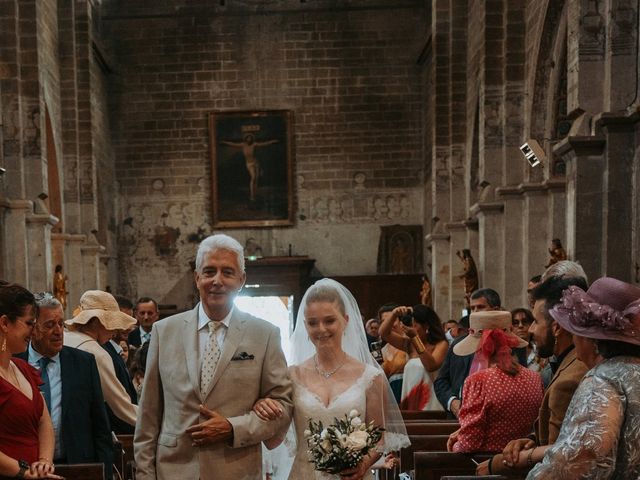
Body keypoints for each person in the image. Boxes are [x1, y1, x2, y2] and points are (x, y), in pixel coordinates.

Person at [134, 234, 293, 480]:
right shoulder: (164, 331)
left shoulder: (265, 334)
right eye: (209, 272)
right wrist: (145, 476)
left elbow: (283, 407)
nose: (217, 280)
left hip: (237, 470)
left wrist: (233, 428)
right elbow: (148, 417)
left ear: (241, 280)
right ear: (197, 278)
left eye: (227, 272)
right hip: (174, 471)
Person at [253, 279, 410, 480]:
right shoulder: (291, 376)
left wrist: (362, 465)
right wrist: (262, 406)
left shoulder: (370, 377)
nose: (321, 329)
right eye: (312, 323)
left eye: (329, 320)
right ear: (304, 326)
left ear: (345, 320)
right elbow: (274, 439)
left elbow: (378, 438)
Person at [526, 277, 640, 479]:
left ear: (593, 340)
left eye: (575, 331)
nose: (574, 338)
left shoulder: (602, 380)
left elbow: (581, 456)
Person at [476, 276, 589, 476]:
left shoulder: (569, 380)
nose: (530, 330)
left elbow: (559, 462)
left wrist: (497, 464)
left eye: (536, 322)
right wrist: (532, 441)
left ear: (557, 328)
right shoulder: (570, 363)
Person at [15, 292, 112, 477]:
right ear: (32, 328)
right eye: (50, 325)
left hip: (76, 465)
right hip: (27, 467)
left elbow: (101, 427)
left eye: (61, 323)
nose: (59, 331)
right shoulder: (14, 363)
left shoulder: (83, 363)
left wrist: (105, 473)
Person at [446, 311, 543, 453]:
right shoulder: (534, 378)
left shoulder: (478, 381)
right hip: (523, 462)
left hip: (486, 465)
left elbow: (469, 444)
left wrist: (455, 445)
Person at [0, 281, 61, 479]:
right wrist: (23, 473)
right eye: (28, 324)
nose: (33, 332)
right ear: (4, 323)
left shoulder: (23, 368)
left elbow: (44, 421)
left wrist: (44, 462)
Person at [64, 290, 138, 428]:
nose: (115, 330)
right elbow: (121, 405)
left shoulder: (64, 340)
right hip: (83, 427)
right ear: (97, 322)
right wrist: (154, 423)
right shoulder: (96, 352)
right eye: (111, 323)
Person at [434, 288, 501, 417]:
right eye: (472, 308)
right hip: (458, 418)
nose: (475, 313)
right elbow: (441, 381)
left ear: (495, 310)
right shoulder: (458, 344)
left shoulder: (509, 344)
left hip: (494, 416)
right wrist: (452, 402)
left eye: (480, 307)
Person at [379, 304, 448, 411]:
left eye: (415, 324)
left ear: (426, 326)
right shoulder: (409, 345)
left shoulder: (441, 344)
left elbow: (430, 365)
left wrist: (415, 338)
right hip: (411, 398)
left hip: (432, 400)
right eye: (411, 324)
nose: (412, 328)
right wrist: (394, 314)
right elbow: (384, 333)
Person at [221, 134, 278, 202]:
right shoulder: (243, 145)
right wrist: (225, 142)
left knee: (256, 179)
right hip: (249, 164)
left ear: (252, 139)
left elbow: (264, 144)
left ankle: (254, 195)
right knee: (253, 178)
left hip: (256, 163)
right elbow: (233, 144)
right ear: (246, 139)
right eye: (248, 138)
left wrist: (272, 141)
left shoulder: (254, 144)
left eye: (250, 138)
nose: (249, 139)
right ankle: (252, 196)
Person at [378, 304, 407, 403]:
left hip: (407, 390)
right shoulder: (382, 350)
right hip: (390, 395)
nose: (388, 324)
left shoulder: (408, 342)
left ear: (400, 321)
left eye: (392, 319)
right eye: (384, 321)